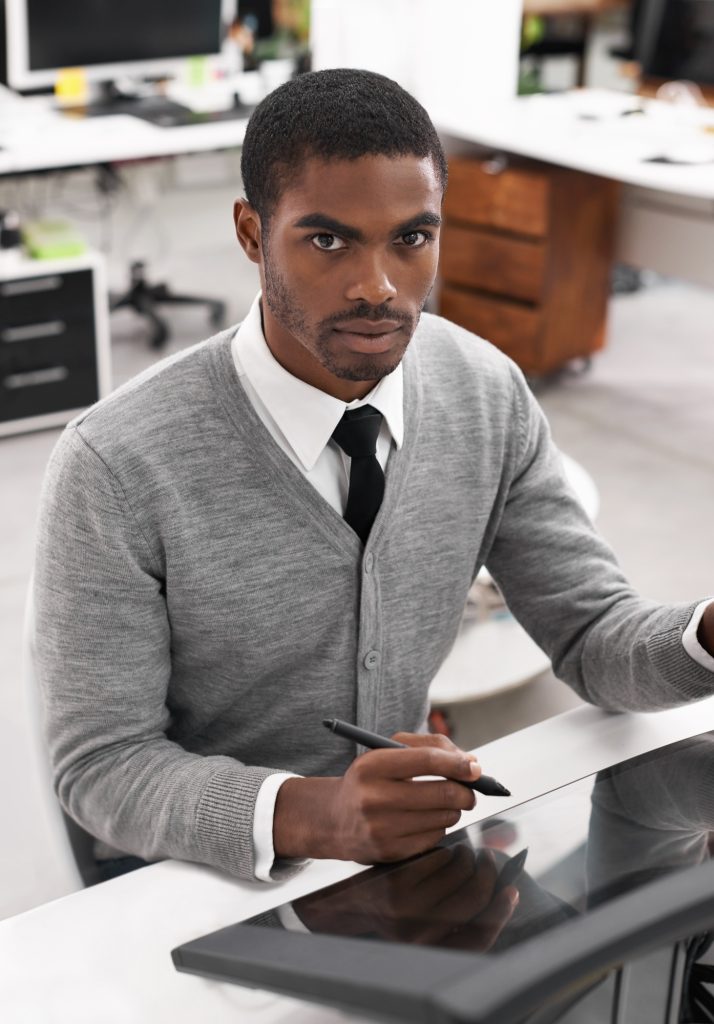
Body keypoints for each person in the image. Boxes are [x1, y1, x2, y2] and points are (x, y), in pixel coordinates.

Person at [33, 69, 714, 886]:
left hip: (394, 848)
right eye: (329, 241)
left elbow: (592, 635)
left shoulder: (484, 392)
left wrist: (705, 635)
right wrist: (320, 813)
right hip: (195, 877)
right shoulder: (115, 463)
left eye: (412, 238)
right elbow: (102, 765)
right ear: (252, 234)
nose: (379, 287)